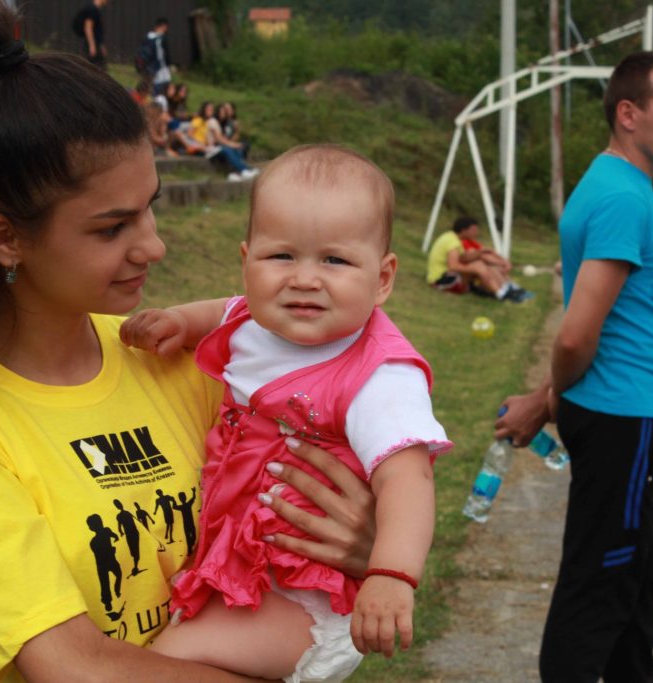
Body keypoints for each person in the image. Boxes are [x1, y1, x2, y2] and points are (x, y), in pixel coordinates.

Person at [0, 4, 377, 681]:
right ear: (5, 238)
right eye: (112, 227)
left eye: (150, 207)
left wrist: (369, 546)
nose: (153, 245)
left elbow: (306, 506)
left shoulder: (173, 358)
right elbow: (76, 665)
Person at [119, 144, 452, 682]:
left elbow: (408, 479)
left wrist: (391, 574)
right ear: (246, 260)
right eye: (281, 257)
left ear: (383, 278)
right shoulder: (252, 322)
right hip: (250, 573)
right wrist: (179, 321)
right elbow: (222, 311)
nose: (304, 278)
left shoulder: (379, 375)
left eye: (334, 260)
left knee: (161, 665)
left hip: (307, 597)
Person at [496, 51, 653, 682]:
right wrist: (550, 396)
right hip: (627, 420)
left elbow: (600, 328)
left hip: (637, 416)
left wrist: (543, 399)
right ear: (629, 114)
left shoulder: (619, 185)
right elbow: (576, 335)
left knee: (636, 594)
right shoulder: (620, 198)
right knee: (602, 590)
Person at [425, 216, 529, 302]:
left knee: (480, 262)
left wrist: (480, 253)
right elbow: (453, 266)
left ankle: (506, 289)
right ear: (463, 230)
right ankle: (501, 293)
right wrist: (475, 268)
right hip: (441, 281)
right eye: (474, 230)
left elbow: (463, 258)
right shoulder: (453, 242)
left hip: (448, 277)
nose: (477, 232)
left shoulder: (452, 238)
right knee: (478, 266)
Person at [190, 101, 259, 181]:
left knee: (235, 150)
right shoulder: (211, 121)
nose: (211, 111)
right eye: (208, 109)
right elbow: (218, 138)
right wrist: (233, 144)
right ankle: (243, 170)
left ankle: (236, 173)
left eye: (212, 109)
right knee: (227, 149)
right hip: (210, 149)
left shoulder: (214, 122)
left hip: (213, 148)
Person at [142, 17, 175, 96]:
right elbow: (164, 55)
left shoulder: (147, 37)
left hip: (149, 67)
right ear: (163, 26)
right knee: (163, 88)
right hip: (160, 68)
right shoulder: (161, 38)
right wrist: (170, 65)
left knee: (151, 88)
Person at [74, 0, 108, 69]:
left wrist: (101, 46)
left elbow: (97, 31)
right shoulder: (92, 9)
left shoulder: (95, 9)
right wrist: (92, 46)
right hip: (93, 45)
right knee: (92, 68)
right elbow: (88, 28)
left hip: (96, 44)